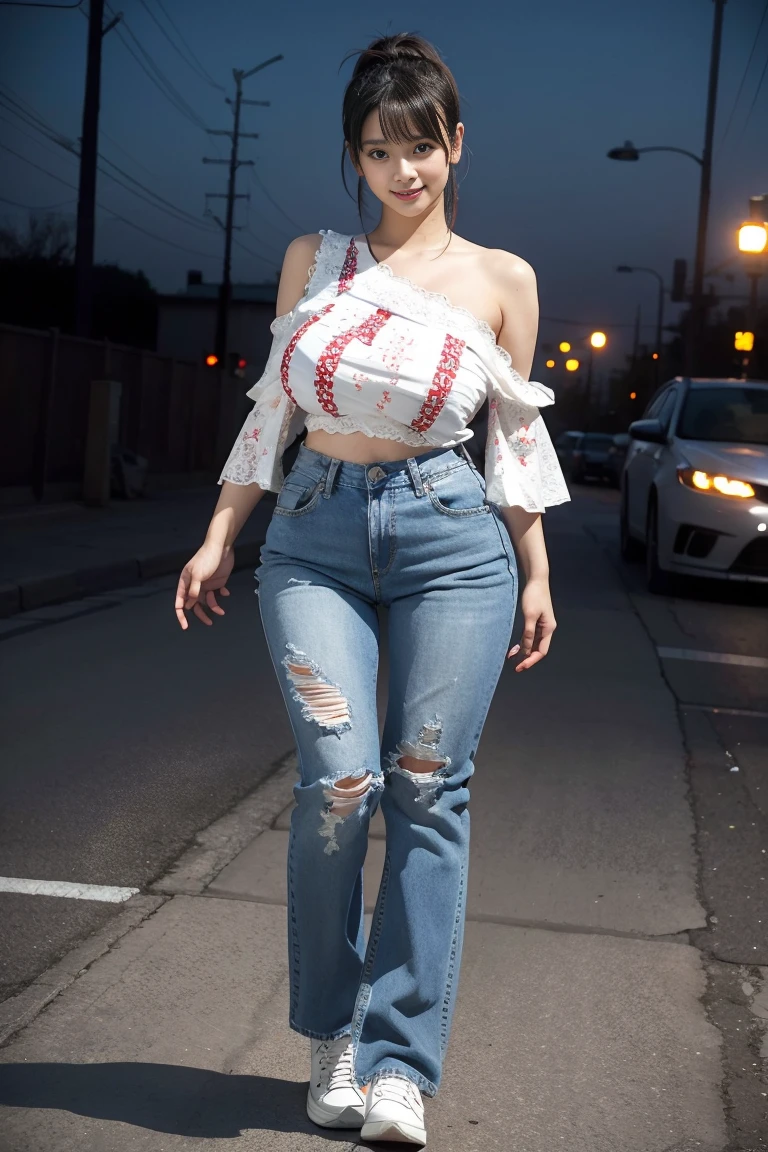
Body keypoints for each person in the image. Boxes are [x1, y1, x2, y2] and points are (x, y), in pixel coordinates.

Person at [175, 31, 570, 1147]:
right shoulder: (320, 260)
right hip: (314, 534)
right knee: (342, 784)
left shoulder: (504, 281)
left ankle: (400, 1062)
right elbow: (272, 412)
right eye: (379, 148)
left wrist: (537, 571)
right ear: (354, 156)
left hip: (454, 540)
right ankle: (335, 1030)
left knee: (428, 791)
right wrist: (219, 535)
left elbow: (511, 442)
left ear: (457, 144)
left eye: (423, 145)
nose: (405, 170)